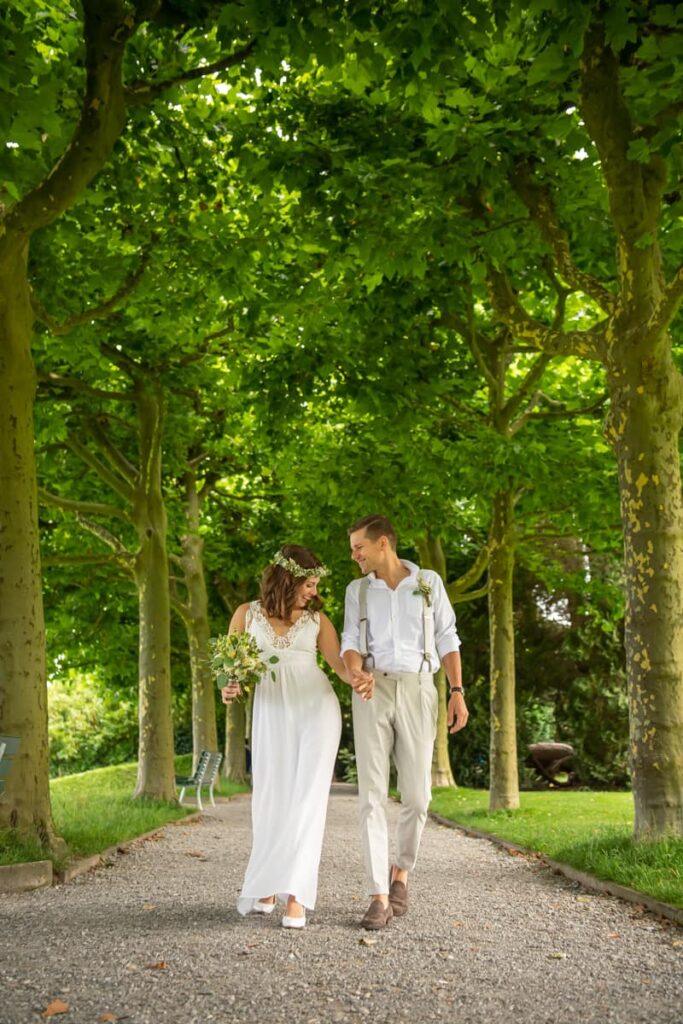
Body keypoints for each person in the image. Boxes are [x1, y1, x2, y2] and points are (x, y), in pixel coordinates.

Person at [221, 544, 373, 929]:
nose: (313, 591)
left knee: (307, 801)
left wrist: (358, 676)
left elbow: (338, 665)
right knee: (271, 798)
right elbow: (229, 667)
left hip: (316, 711)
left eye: (315, 585)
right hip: (270, 713)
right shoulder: (246, 614)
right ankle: (269, 883)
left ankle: (297, 895)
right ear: (287, 578)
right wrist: (229, 685)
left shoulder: (317, 620)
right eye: (308, 583)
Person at [340, 515, 468, 930]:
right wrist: (355, 670)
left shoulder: (428, 582)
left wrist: (456, 691)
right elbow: (350, 643)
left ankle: (401, 873)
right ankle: (379, 894)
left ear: (382, 544)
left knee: (418, 796)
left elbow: (447, 636)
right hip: (372, 691)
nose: (354, 555)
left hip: (418, 689)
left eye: (358, 547)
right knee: (371, 795)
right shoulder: (356, 591)